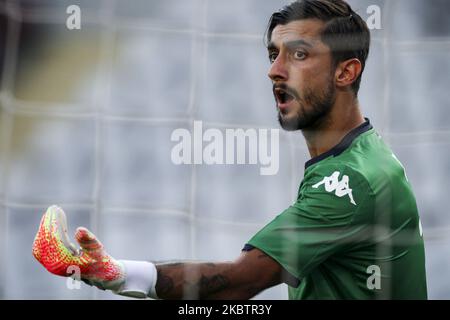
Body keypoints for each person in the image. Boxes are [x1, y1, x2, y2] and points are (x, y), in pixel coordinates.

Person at [32, 0, 427, 300]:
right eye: (274, 54)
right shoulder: (358, 157)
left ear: (346, 71)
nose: (275, 69)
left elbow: (238, 284)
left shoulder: (352, 180)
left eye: (300, 54)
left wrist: (112, 272)